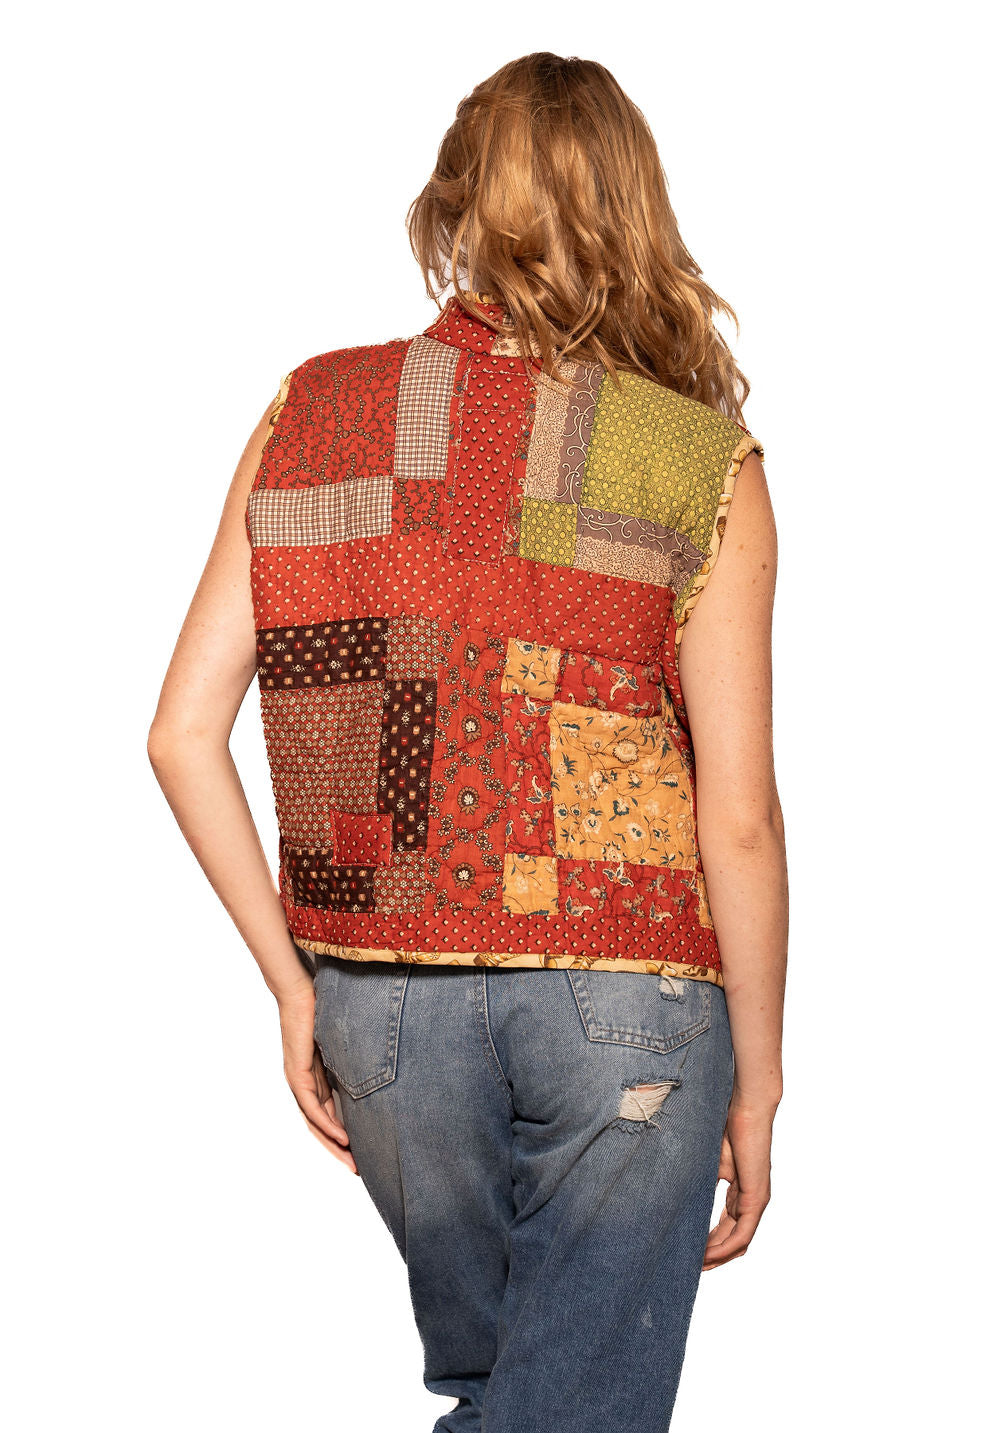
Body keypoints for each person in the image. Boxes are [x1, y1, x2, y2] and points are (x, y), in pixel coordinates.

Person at [148, 51, 787, 1433]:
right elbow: (737, 816)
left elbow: (182, 733)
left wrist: (294, 985)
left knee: (507, 1398)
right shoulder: (697, 464)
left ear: (453, 205)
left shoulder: (310, 412)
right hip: (629, 1002)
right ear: (636, 211)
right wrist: (764, 1073)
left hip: (386, 1006)